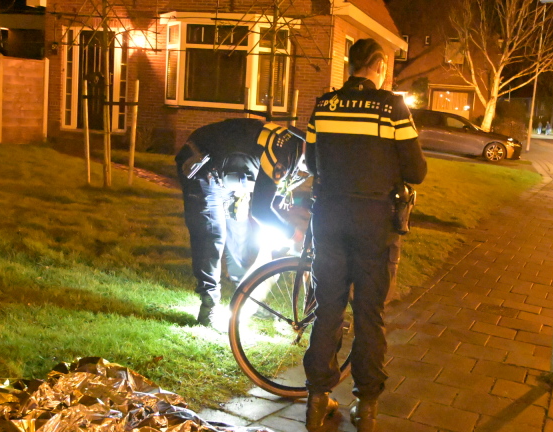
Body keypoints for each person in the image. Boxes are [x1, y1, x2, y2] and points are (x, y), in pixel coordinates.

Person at [302, 38, 428, 432]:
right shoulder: (392, 107)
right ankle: (366, 408)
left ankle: (317, 401)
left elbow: (310, 160)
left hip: (329, 216)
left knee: (328, 310)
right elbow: (417, 171)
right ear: (377, 65)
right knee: (369, 315)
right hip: (374, 221)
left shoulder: (324, 105)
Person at [175, 119, 305, 326]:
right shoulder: (281, 154)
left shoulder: (296, 149)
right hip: (203, 163)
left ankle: (245, 299)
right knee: (212, 234)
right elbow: (262, 210)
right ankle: (208, 305)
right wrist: (293, 233)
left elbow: (270, 202)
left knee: (240, 232)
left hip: (234, 172)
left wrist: (277, 231)